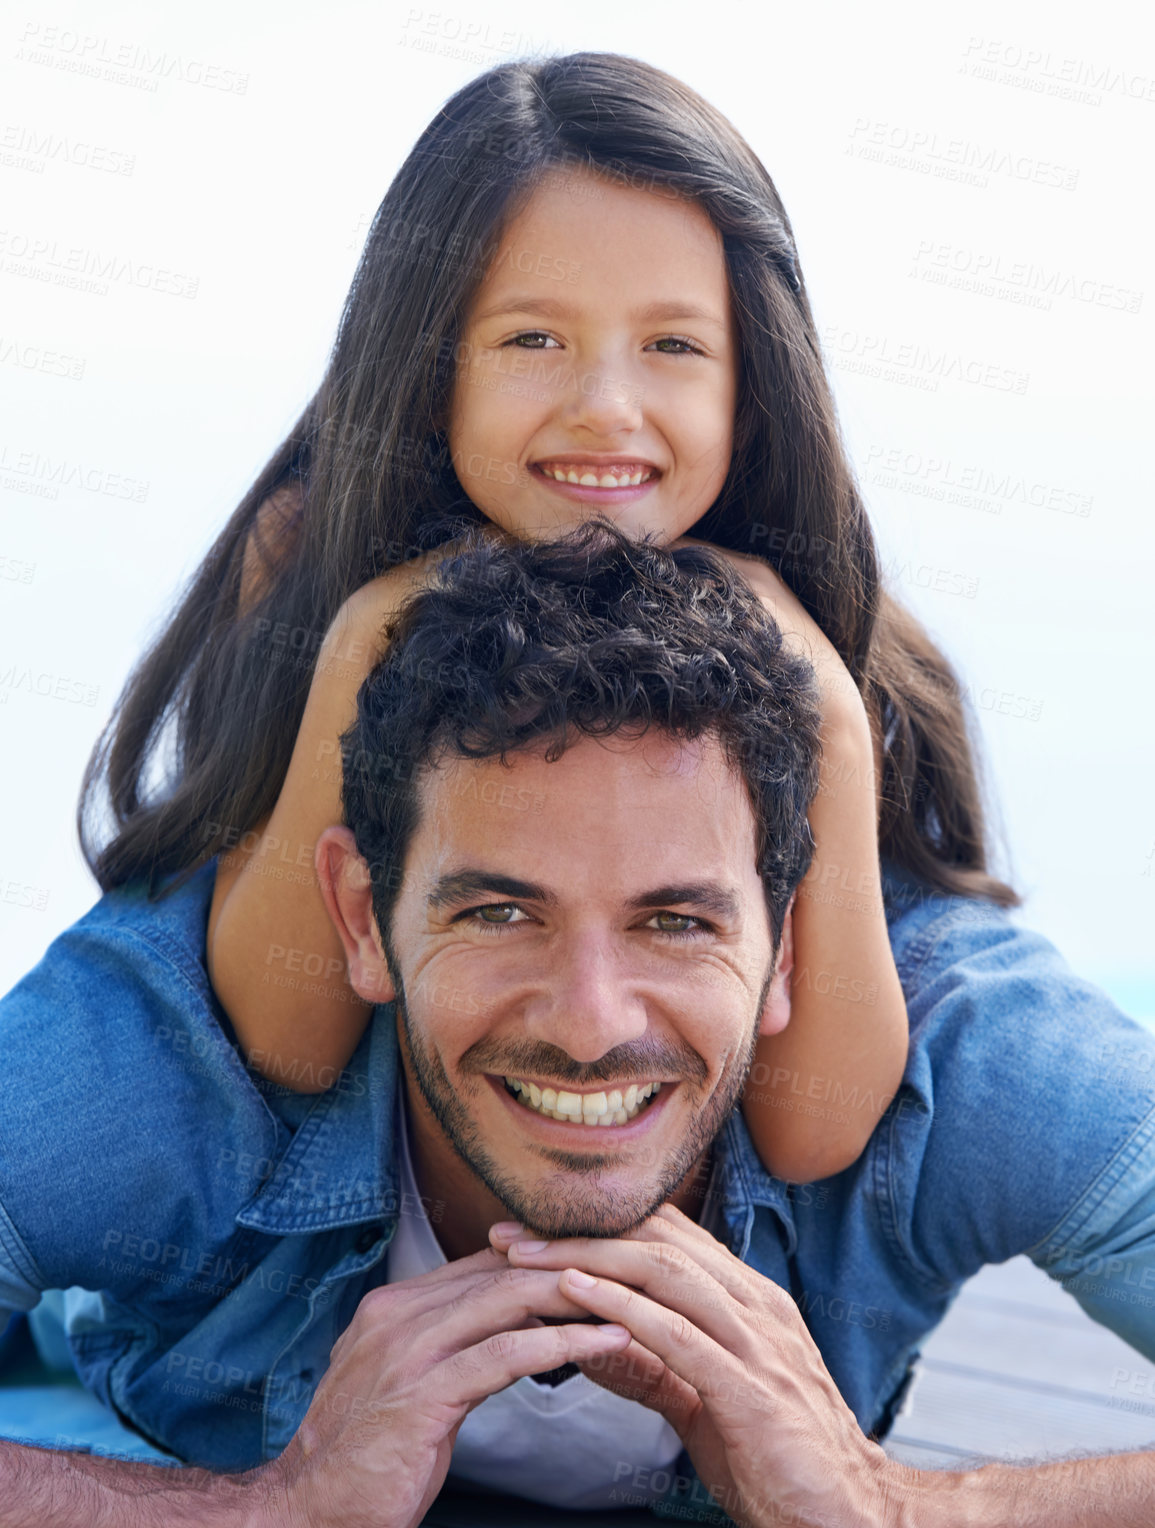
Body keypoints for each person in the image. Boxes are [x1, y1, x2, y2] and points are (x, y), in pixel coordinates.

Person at [2, 530, 1154, 1528]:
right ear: (361, 915)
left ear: (794, 939)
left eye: (676, 924)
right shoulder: (149, 1057)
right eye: (501, 913)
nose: (593, 1026)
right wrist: (263, 1522)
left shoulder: (973, 1050)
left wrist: (895, 1513)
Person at [82, 46, 1037, 1187]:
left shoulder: (808, 610)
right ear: (432, 366)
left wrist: (825, 705)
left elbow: (813, 1131)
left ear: (755, 378)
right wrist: (363, 639)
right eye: (533, 340)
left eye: (674, 347)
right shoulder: (313, 555)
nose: (606, 410)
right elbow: (285, 1044)